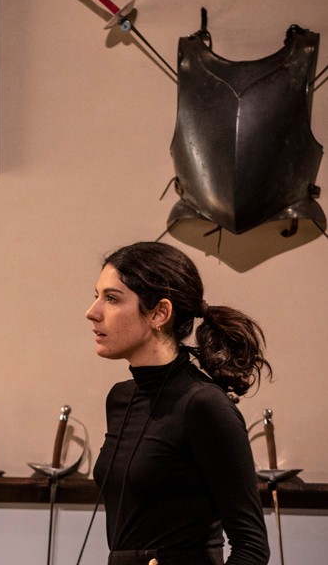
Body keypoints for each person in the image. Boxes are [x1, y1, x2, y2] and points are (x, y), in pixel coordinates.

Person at [85, 241, 271, 565]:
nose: (92, 311)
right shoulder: (120, 398)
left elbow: (251, 546)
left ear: (160, 313)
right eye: (97, 296)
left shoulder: (203, 404)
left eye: (112, 298)